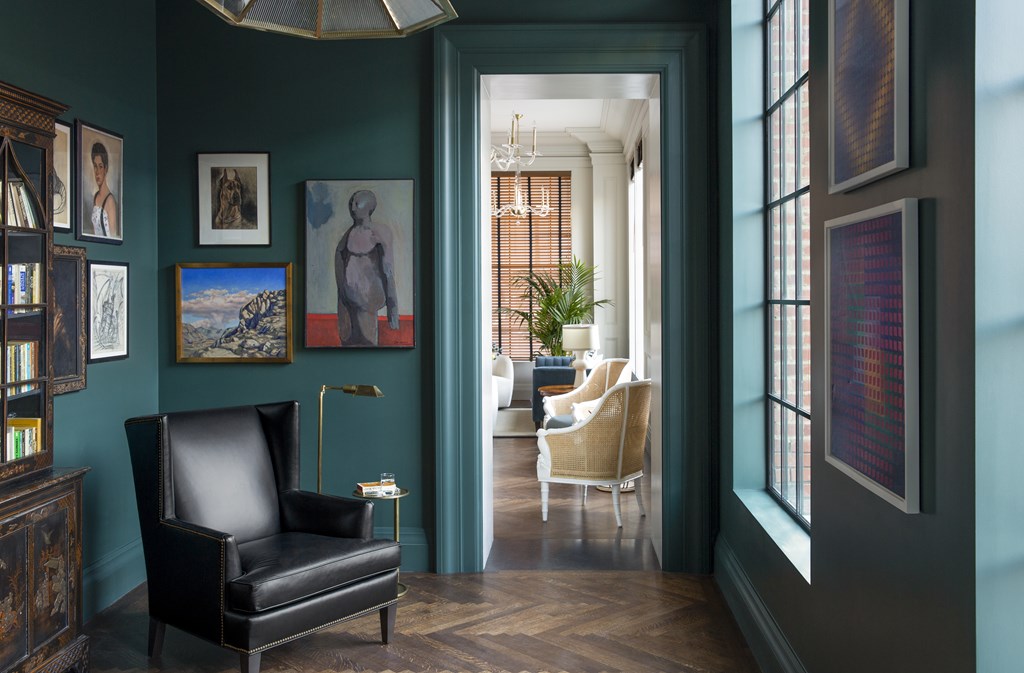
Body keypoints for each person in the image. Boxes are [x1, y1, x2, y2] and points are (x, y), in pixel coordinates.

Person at [334, 189, 399, 346]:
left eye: (357, 204)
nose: (353, 208)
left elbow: (388, 270)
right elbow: (339, 262)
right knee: (347, 342)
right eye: (351, 204)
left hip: (368, 301)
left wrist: (393, 308)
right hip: (347, 300)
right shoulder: (347, 235)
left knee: (368, 344)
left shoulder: (380, 233)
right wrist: (342, 296)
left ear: (370, 206)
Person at [90, 142, 119, 238]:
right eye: (95, 166)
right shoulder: (95, 197)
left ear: (106, 169)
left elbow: (113, 237)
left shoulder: (110, 201)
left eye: (100, 166)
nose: (97, 172)